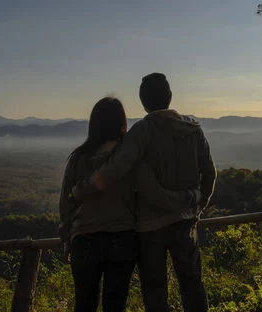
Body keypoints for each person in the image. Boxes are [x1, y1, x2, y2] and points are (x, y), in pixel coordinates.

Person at [73, 73, 217, 312]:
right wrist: (197, 205)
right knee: (192, 284)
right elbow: (210, 173)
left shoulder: (143, 131)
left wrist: (83, 189)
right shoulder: (193, 129)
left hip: (150, 227)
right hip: (185, 220)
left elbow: (116, 167)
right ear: (170, 96)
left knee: (155, 290)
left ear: (143, 102)